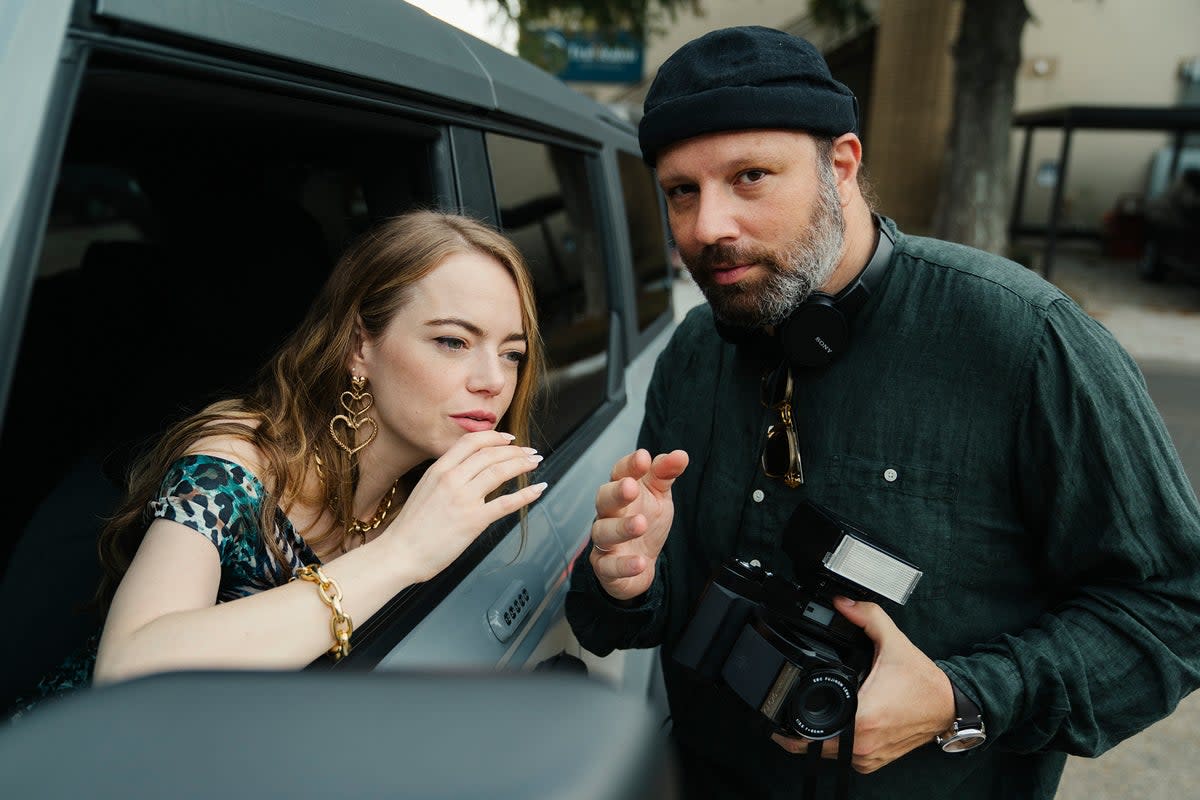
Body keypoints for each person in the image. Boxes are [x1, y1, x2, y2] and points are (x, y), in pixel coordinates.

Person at [565, 26, 1200, 800]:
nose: (708, 228)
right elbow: (631, 622)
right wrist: (625, 580)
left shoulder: (1027, 342)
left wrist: (963, 697)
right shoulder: (697, 348)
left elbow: (1172, 608)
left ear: (842, 165)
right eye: (681, 192)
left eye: (751, 177)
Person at [14, 210, 546, 709]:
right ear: (359, 347)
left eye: (512, 353)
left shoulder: (435, 494)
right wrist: (398, 555)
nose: (494, 382)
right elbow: (128, 672)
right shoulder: (237, 463)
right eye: (453, 341)